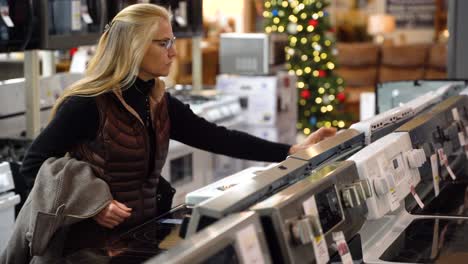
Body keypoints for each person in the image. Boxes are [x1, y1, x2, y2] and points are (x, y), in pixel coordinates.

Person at [20, 3, 335, 244]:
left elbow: (217, 138)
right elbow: (32, 165)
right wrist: (90, 204)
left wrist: (292, 149)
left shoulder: (157, 100)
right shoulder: (89, 104)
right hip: (87, 248)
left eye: (172, 41)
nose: (173, 53)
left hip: (140, 236)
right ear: (134, 47)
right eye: (163, 44)